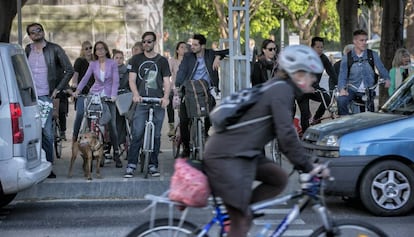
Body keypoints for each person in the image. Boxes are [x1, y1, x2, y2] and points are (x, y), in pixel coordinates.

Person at [203, 45, 328, 237]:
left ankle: (243, 210)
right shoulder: (281, 91)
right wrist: (309, 166)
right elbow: (286, 137)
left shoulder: (279, 87)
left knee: (278, 178)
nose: (314, 79)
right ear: (298, 73)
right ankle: (240, 215)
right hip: (228, 157)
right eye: (311, 74)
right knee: (239, 225)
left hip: (243, 153)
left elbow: (287, 137)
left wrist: (306, 163)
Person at [25, 22, 74, 178]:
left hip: (47, 96)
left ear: (43, 31)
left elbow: (69, 70)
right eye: (32, 32)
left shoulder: (54, 49)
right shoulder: (27, 50)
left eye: (39, 30)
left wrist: (58, 89)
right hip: (30, 97)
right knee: (31, 132)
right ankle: (33, 164)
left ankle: (47, 167)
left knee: (46, 133)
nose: (36, 33)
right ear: (30, 36)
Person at [124, 31, 171, 178]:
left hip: (157, 101)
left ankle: (153, 165)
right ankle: (131, 164)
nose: (146, 44)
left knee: (156, 135)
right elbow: (131, 80)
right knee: (137, 133)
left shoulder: (162, 60)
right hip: (141, 101)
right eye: (144, 41)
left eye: (149, 41)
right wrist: (136, 95)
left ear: (154, 43)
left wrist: (166, 97)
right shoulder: (136, 59)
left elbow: (166, 81)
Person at [175, 34, 229, 157]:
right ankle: (187, 148)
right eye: (191, 44)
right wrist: (178, 84)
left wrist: (218, 56)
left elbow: (228, 51)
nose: (192, 47)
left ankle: (204, 132)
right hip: (189, 90)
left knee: (212, 112)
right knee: (184, 119)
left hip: (206, 91)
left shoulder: (210, 54)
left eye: (195, 45)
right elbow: (182, 70)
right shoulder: (188, 57)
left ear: (203, 46)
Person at [73, 41, 122, 168]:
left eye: (102, 49)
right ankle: (90, 153)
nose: (100, 51)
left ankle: (116, 153)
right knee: (90, 125)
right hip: (95, 94)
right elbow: (85, 78)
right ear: (95, 52)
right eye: (97, 49)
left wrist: (114, 95)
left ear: (106, 50)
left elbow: (116, 80)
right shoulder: (93, 64)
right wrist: (77, 90)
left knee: (112, 125)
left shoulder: (112, 63)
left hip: (109, 96)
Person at [337, 29, 390, 115]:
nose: (364, 42)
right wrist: (342, 89)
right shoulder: (347, 57)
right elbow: (342, 75)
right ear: (354, 41)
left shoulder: (372, 54)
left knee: (370, 114)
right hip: (352, 89)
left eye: (365, 40)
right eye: (361, 40)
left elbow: (381, 69)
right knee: (341, 100)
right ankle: (345, 121)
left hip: (369, 89)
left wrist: (387, 78)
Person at [297, 37, 336, 131]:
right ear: (312, 48)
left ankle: (316, 118)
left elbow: (332, 73)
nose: (320, 49)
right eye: (317, 47)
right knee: (305, 113)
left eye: (322, 47)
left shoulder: (323, 58)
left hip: (315, 88)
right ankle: (305, 133)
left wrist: (338, 85)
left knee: (327, 99)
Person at [71, 41, 95, 143]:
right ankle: (74, 136)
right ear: (82, 50)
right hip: (82, 92)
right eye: (86, 48)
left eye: (90, 48)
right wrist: (75, 86)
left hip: (94, 92)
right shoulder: (79, 61)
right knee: (80, 113)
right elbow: (75, 75)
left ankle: (90, 137)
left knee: (92, 116)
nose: (89, 50)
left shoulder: (96, 61)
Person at [167, 41, 188, 137]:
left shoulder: (190, 61)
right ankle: (171, 126)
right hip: (176, 87)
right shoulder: (172, 61)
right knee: (169, 99)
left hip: (188, 88)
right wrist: (170, 86)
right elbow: (168, 75)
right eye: (182, 47)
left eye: (186, 47)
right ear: (177, 50)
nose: (184, 49)